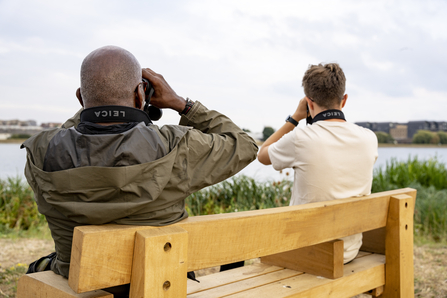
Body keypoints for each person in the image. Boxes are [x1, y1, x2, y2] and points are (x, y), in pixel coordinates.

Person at [21, 46, 258, 287]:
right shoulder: (176, 146)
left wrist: (94, 101)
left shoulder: (41, 151)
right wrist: (181, 104)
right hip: (161, 283)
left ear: (81, 98)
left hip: (81, 281)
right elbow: (245, 145)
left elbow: (68, 134)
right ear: (140, 93)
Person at [257, 63, 378, 264]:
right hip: (348, 251)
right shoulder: (369, 138)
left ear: (308, 102)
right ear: (344, 99)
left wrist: (295, 117)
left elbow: (262, 155)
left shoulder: (301, 138)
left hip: (307, 251)